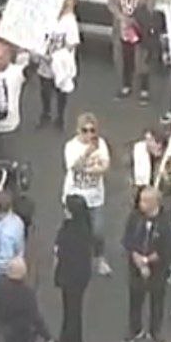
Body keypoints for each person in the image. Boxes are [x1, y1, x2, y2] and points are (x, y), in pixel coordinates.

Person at [121, 186, 171, 342]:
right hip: (135, 266)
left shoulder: (165, 221)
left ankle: (155, 330)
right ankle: (135, 329)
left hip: (158, 269)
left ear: (154, 203)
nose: (140, 203)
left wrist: (148, 261)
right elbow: (128, 240)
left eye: (144, 201)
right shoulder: (135, 217)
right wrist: (137, 259)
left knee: (157, 299)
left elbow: (168, 247)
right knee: (135, 298)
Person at [63, 112, 112, 276]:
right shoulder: (71, 146)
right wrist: (88, 154)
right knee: (75, 231)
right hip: (76, 195)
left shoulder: (101, 144)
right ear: (78, 130)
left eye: (92, 130)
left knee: (98, 231)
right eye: (85, 130)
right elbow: (75, 167)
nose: (89, 134)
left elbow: (105, 167)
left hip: (95, 196)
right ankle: (77, 260)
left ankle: (99, 259)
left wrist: (91, 168)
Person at [108, 0, 157, 103]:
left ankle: (144, 89)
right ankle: (126, 85)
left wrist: (138, 21)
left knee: (141, 57)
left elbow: (150, 4)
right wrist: (122, 18)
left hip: (139, 24)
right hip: (122, 24)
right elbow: (111, 1)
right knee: (125, 56)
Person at [0, 257, 52, 342]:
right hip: (23, 333)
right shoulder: (28, 293)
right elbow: (35, 317)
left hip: (4, 330)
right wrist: (47, 337)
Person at [54, 195, 93, 342]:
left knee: (73, 311)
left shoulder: (73, 232)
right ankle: (65, 337)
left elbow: (62, 250)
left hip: (72, 275)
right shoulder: (83, 226)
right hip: (78, 274)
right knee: (69, 308)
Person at [35, 0, 80, 128]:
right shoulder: (45, 18)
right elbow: (38, 37)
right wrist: (43, 54)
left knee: (61, 89)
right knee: (45, 88)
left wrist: (58, 56)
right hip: (45, 60)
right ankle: (46, 112)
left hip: (61, 62)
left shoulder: (69, 20)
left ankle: (60, 116)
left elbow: (72, 43)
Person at [131, 126, 168, 191]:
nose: (148, 143)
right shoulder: (139, 150)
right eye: (147, 140)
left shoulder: (167, 155)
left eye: (151, 140)